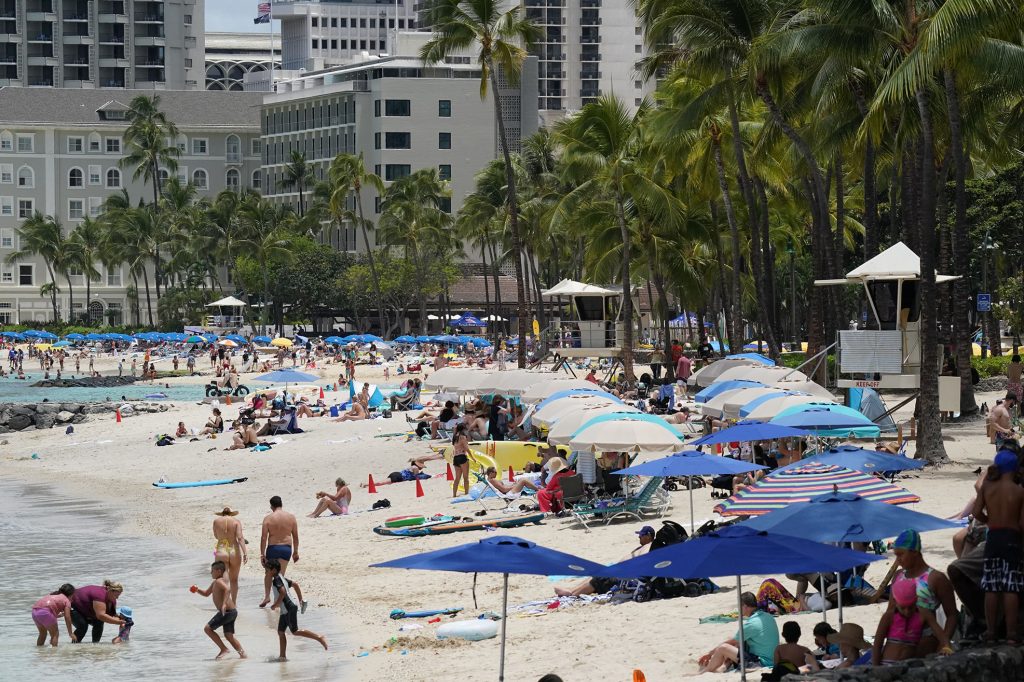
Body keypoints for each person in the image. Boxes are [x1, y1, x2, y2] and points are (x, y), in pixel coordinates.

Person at [973, 449, 1024, 643]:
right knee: (1011, 586)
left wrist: (989, 520)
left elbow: (977, 511)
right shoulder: (1019, 490)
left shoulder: (987, 487)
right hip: (1011, 538)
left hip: (993, 536)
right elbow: (1022, 524)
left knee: (992, 586)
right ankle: (1011, 634)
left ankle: (990, 632)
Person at [887, 529, 957, 656]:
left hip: (925, 636)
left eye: (901, 555)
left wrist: (943, 643)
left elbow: (952, 615)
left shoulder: (936, 578)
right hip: (898, 636)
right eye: (896, 555)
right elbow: (891, 610)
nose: (898, 560)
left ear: (914, 552)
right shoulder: (898, 576)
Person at [554, 528, 653, 597]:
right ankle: (572, 589)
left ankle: (573, 594)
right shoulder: (643, 547)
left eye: (641, 535)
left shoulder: (649, 547)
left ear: (648, 536)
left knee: (600, 578)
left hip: (626, 577)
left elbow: (642, 562)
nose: (639, 537)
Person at [699, 592, 779, 672]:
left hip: (761, 662)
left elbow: (731, 642)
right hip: (773, 659)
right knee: (738, 642)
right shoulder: (767, 616)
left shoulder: (751, 624)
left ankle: (706, 671)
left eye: (739, 606)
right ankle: (725, 666)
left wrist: (710, 654)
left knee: (723, 648)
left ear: (745, 606)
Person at [266, 558, 327, 660]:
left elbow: (282, 592)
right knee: (281, 632)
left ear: (274, 570)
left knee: (295, 631)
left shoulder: (276, 580)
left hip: (289, 608)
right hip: (286, 609)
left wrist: (275, 605)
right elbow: (295, 585)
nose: (266, 571)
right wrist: (300, 600)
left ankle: (319, 638)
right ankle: (282, 657)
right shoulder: (281, 577)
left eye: (267, 569)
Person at [193, 560, 246, 660]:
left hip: (226, 611)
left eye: (212, 570)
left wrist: (224, 604)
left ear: (218, 571)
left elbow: (228, 589)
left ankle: (224, 649)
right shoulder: (215, 582)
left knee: (207, 629)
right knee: (229, 635)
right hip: (232, 611)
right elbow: (206, 593)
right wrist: (197, 590)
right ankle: (243, 655)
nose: (210, 573)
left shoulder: (219, 581)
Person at [872, 577, 924, 665]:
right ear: (895, 602)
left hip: (909, 667)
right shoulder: (889, 617)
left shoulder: (923, 615)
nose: (907, 611)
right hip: (886, 665)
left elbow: (939, 636)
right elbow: (877, 645)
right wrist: (876, 668)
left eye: (910, 607)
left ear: (916, 600)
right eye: (903, 608)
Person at [260, 496, 299, 609]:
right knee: (280, 576)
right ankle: (279, 601)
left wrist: (262, 554)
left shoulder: (268, 518)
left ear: (272, 506)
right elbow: (295, 537)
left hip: (273, 548)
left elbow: (263, 538)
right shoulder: (291, 517)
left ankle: (267, 597)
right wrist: (295, 552)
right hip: (286, 548)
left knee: (268, 574)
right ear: (281, 504)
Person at [213, 507, 248, 603]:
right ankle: (234, 603)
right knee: (234, 580)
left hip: (221, 550)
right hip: (234, 551)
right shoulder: (236, 521)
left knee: (222, 579)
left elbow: (216, 536)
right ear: (231, 513)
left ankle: (223, 603)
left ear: (222, 513)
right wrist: (245, 553)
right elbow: (240, 538)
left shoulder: (216, 521)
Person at [451, 423, 471, 497]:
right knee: (466, 478)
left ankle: (454, 494)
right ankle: (466, 493)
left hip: (455, 458)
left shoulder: (454, 437)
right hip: (462, 457)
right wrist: (472, 457)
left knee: (457, 478)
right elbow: (466, 448)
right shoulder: (462, 437)